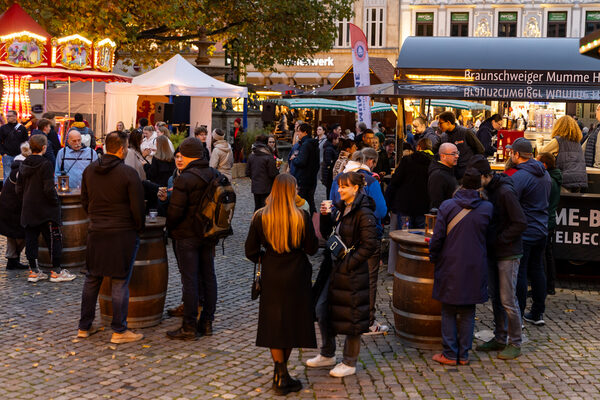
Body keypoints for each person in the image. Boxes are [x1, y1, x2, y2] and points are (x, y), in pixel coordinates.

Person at [245, 174, 318, 395]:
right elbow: (312, 248)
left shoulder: (260, 217)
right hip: (297, 273)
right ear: (292, 191)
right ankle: (282, 374)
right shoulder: (301, 216)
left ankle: (280, 371)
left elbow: (250, 250)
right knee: (291, 323)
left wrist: (264, 257)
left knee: (275, 323)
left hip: (272, 273)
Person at [77, 131, 145, 343]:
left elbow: (84, 201)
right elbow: (137, 208)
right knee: (119, 281)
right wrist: (138, 228)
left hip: (97, 231)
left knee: (92, 278)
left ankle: (84, 326)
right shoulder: (128, 173)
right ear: (122, 149)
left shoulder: (89, 170)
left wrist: (96, 218)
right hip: (122, 233)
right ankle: (119, 330)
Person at [308, 171, 378, 377]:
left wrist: (349, 263)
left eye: (344, 186)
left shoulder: (364, 213)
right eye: (339, 186)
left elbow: (370, 245)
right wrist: (323, 215)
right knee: (322, 309)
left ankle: (349, 362)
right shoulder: (341, 208)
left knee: (352, 316)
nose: (339, 190)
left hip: (351, 272)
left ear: (355, 188)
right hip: (333, 268)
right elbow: (329, 233)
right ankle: (327, 353)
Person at [429, 168, 493, 365]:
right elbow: (489, 238)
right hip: (475, 264)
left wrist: (434, 256)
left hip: (451, 262)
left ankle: (449, 353)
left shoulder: (448, 206)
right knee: (468, 310)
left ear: (462, 183)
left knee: (448, 309)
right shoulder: (488, 208)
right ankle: (464, 354)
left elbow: (438, 236)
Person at [468, 155, 527, 360]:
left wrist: (500, 239)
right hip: (495, 250)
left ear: (486, 176)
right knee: (496, 298)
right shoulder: (489, 189)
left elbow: (520, 222)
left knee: (508, 299)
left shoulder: (505, 192)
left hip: (508, 252)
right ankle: (500, 337)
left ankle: (515, 342)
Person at [330, 149, 388, 334]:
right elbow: (381, 211)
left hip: (343, 238)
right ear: (368, 163)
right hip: (366, 237)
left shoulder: (338, 179)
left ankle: (348, 317)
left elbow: (333, 207)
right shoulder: (370, 181)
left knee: (346, 280)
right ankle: (367, 322)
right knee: (368, 281)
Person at [166, 137, 218, 339]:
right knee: (208, 277)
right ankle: (206, 323)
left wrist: (170, 229)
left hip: (187, 235)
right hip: (208, 234)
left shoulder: (185, 178)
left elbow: (175, 212)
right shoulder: (214, 174)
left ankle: (188, 326)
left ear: (187, 155)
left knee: (190, 280)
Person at [16, 135, 76, 283]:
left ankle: (34, 272)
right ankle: (56, 271)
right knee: (54, 239)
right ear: (44, 147)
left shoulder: (23, 164)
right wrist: (55, 203)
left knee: (31, 239)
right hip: (46, 210)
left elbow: (18, 189)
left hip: (29, 209)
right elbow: (49, 189)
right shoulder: (46, 164)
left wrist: (26, 200)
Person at [508, 137, 551, 326]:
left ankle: (518, 316)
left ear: (517, 154)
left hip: (525, 230)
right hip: (542, 228)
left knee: (522, 273)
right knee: (537, 270)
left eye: (512, 152)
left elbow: (510, 202)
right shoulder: (545, 173)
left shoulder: (520, 176)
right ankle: (537, 312)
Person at [386, 138, 433, 229]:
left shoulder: (407, 160)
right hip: (424, 207)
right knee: (420, 239)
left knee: (404, 237)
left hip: (405, 206)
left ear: (418, 147)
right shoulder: (433, 163)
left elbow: (395, 181)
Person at [0, 142, 29, 270]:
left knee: (12, 234)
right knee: (21, 233)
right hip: (13, 208)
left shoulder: (17, 165)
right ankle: (13, 259)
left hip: (8, 206)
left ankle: (12, 260)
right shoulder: (20, 170)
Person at [539, 115, 587, 192]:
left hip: (564, 181)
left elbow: (542, 152)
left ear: (558, 127)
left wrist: (539, 141)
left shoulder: (558, 141)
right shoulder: (577, 142)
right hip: (579, 181)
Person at [538, 152, 562, 296]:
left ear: (545, 165)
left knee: (542, 255)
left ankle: (544, 286)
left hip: (545, 220)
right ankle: (549, 286)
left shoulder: (548, 180)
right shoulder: (554, 177)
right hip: (550, 219)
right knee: (548, 253)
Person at [437, 111, 485, 179]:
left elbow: (480, 150)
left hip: (466, 174)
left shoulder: (465, 132)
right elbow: (436, 152)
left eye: (440, 123)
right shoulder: (443, 137)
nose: (438, 125)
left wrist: (474, 168)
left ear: (448, 123)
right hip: (450, 175)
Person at [290, 123, 320, 214]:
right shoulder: (313, 144)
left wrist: (294, 159)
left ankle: (304, 222)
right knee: (310, 201)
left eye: (299, 131)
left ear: (305, 132)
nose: (297, 133)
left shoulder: (305, 145)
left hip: (303, 179)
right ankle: (313, 222)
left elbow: (301, 162)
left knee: (302, 203)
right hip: (311, 178)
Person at [246, 135, 279, 211]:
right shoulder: (268, 156)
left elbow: (247, 172)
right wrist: (277, 170)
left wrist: (254, 177)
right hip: (267, 187)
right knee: (266, 208)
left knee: (257, 207)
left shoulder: (251, 155)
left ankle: (256, 222)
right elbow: (272, 173)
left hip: (256, 186)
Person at [428, 142, 459, 210]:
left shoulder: (449, 171)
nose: (457, 156)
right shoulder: (438, 176)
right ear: (443, 156)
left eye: (457, 153)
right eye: (453, 154)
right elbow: (436, 202)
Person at [0, 110, 29, 181]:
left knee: (20, 175)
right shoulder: (3, 128)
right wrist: (3, 153)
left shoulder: (22, 128)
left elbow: (25, 142)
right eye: (7, 116)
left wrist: (24, 154)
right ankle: (6, 192)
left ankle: (19, 191)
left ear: (15, 117)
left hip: (20, 156)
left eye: (10, 116)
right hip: (7, 155)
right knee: (7, 175)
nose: (7, 118)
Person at [321, 131, 339, 200]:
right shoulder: (329, 149)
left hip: (329, 173)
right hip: (328, 174)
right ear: (333, 140)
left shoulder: (332, 148)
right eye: (337, 139)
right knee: (329, 191)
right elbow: (329, 162)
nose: (338, 141)